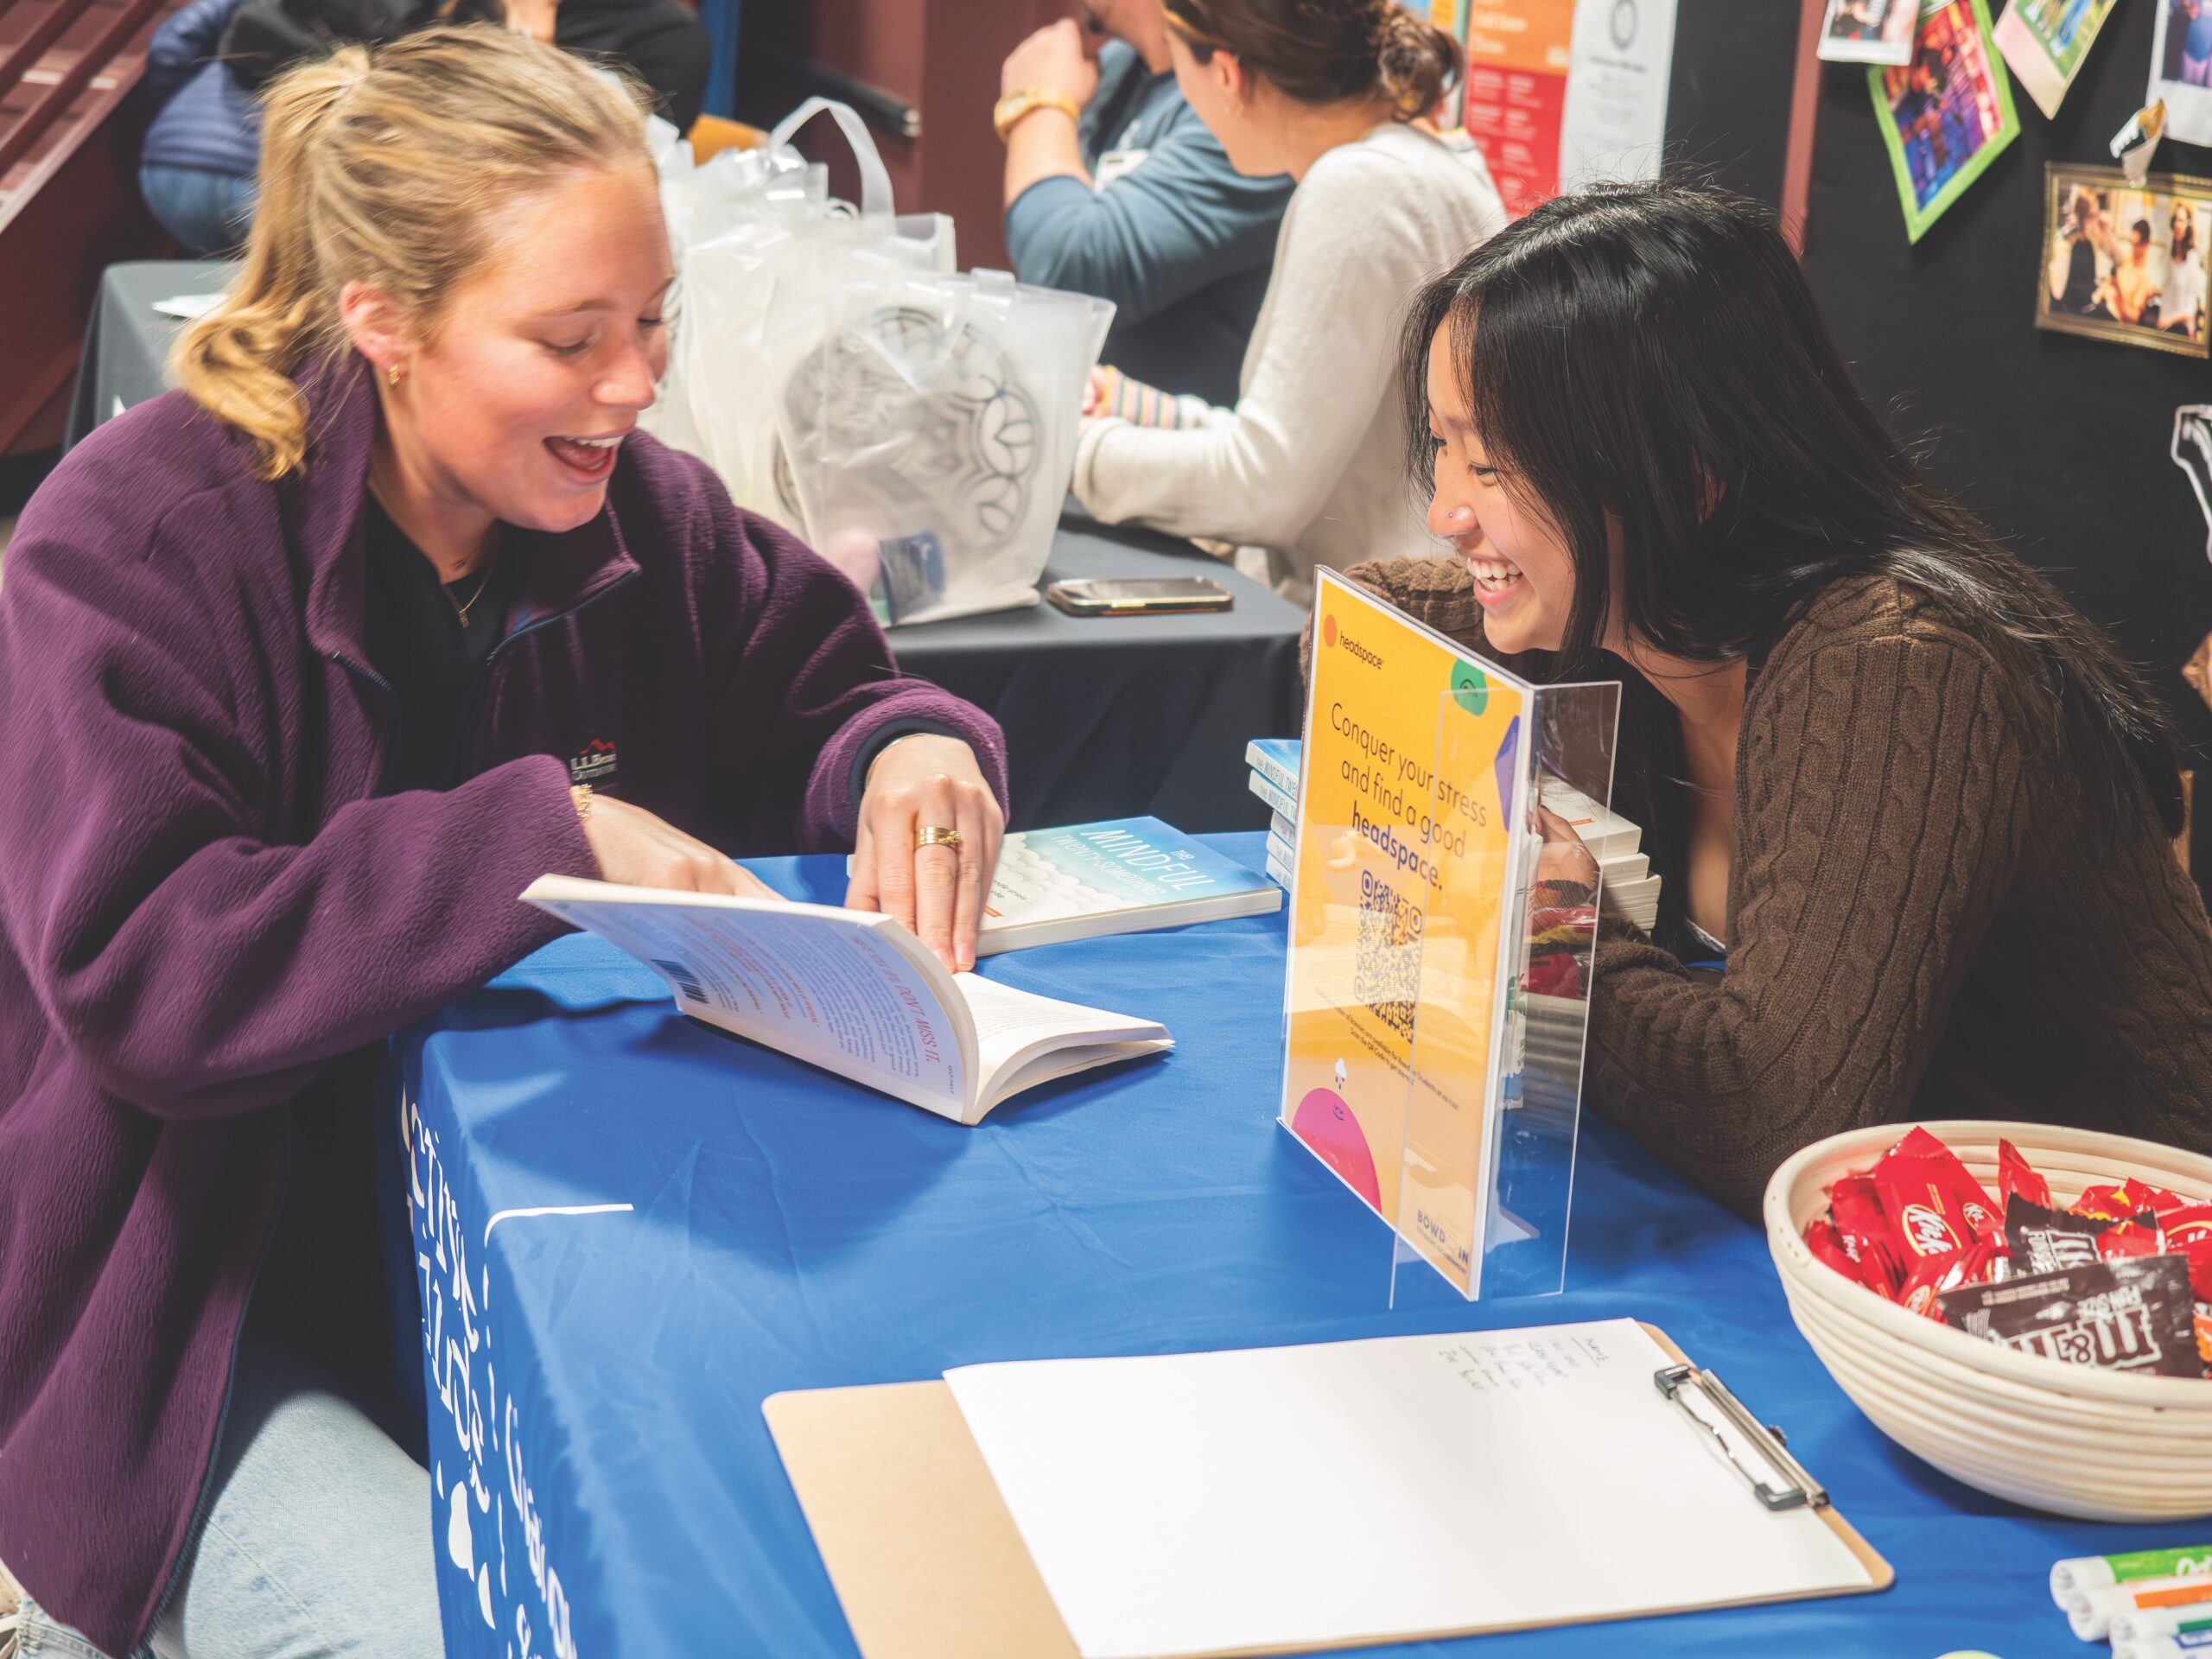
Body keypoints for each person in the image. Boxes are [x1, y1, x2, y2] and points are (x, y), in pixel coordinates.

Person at [0, 28, 1004, 1659]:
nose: (635, 384)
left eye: (654, 322)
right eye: (571, 338)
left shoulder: (645, 519)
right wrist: (543, 836)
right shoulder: (129, 542)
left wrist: (906, 754)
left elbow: (831, 685)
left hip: (559, 1259)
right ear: (382, 323)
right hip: (217, 1320)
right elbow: (146, 973)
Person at [1344, 180, 2212, 1217]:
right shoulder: (1632, 609)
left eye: (1489, 463)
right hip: (1902, 1245)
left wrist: (1556, 935)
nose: (1445, 511)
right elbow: (1361, 614)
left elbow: (1765, 1119)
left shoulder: (1897, 668)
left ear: (1688, 473)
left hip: (2120, 1275)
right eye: (1443, 448)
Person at [1070, 0, 1504, 605]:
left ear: (1227, 75)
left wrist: (1069, 449)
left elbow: (1261, 488)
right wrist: (1127, 406)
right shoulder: (1415, 159)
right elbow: (1292, 444)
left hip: (1372, 643)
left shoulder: (1359, 188)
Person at [136, 0, 712, 253]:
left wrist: (532, 26)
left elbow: (607, 167)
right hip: (334, 187)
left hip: (533, 234)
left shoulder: (665, 37)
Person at [997, 3, 1293, 407]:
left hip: (1177, 451)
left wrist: (1038, 105)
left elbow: (1067, 277)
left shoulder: (1244, 96)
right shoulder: (1116, 67)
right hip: (1086, 432)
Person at [2163, 200, 2204, 338]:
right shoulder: (2170, 256)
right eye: (2175, 220)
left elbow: (2190, 308)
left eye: (2181, 221)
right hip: (2165, 327)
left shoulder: (2192, 258)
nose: (2177, 225)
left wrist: (2169, 320)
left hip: (2182, 329)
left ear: (2188, 225)